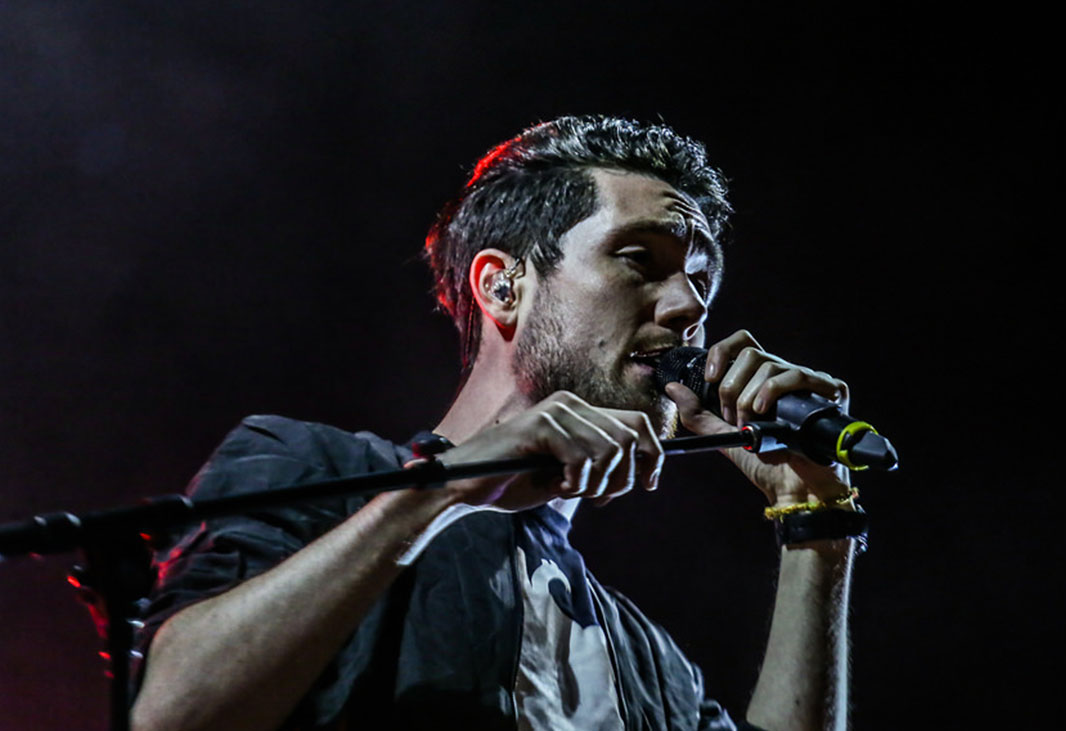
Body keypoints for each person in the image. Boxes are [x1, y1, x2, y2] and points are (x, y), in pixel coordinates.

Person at [129, 115, 865, 731]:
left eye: (701, 281)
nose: (688, 308)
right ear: (503, 286)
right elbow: (174, 716)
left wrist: (815, 522)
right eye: (640, 260)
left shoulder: (646, 661)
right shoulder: (313, 470)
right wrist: (444, 489)